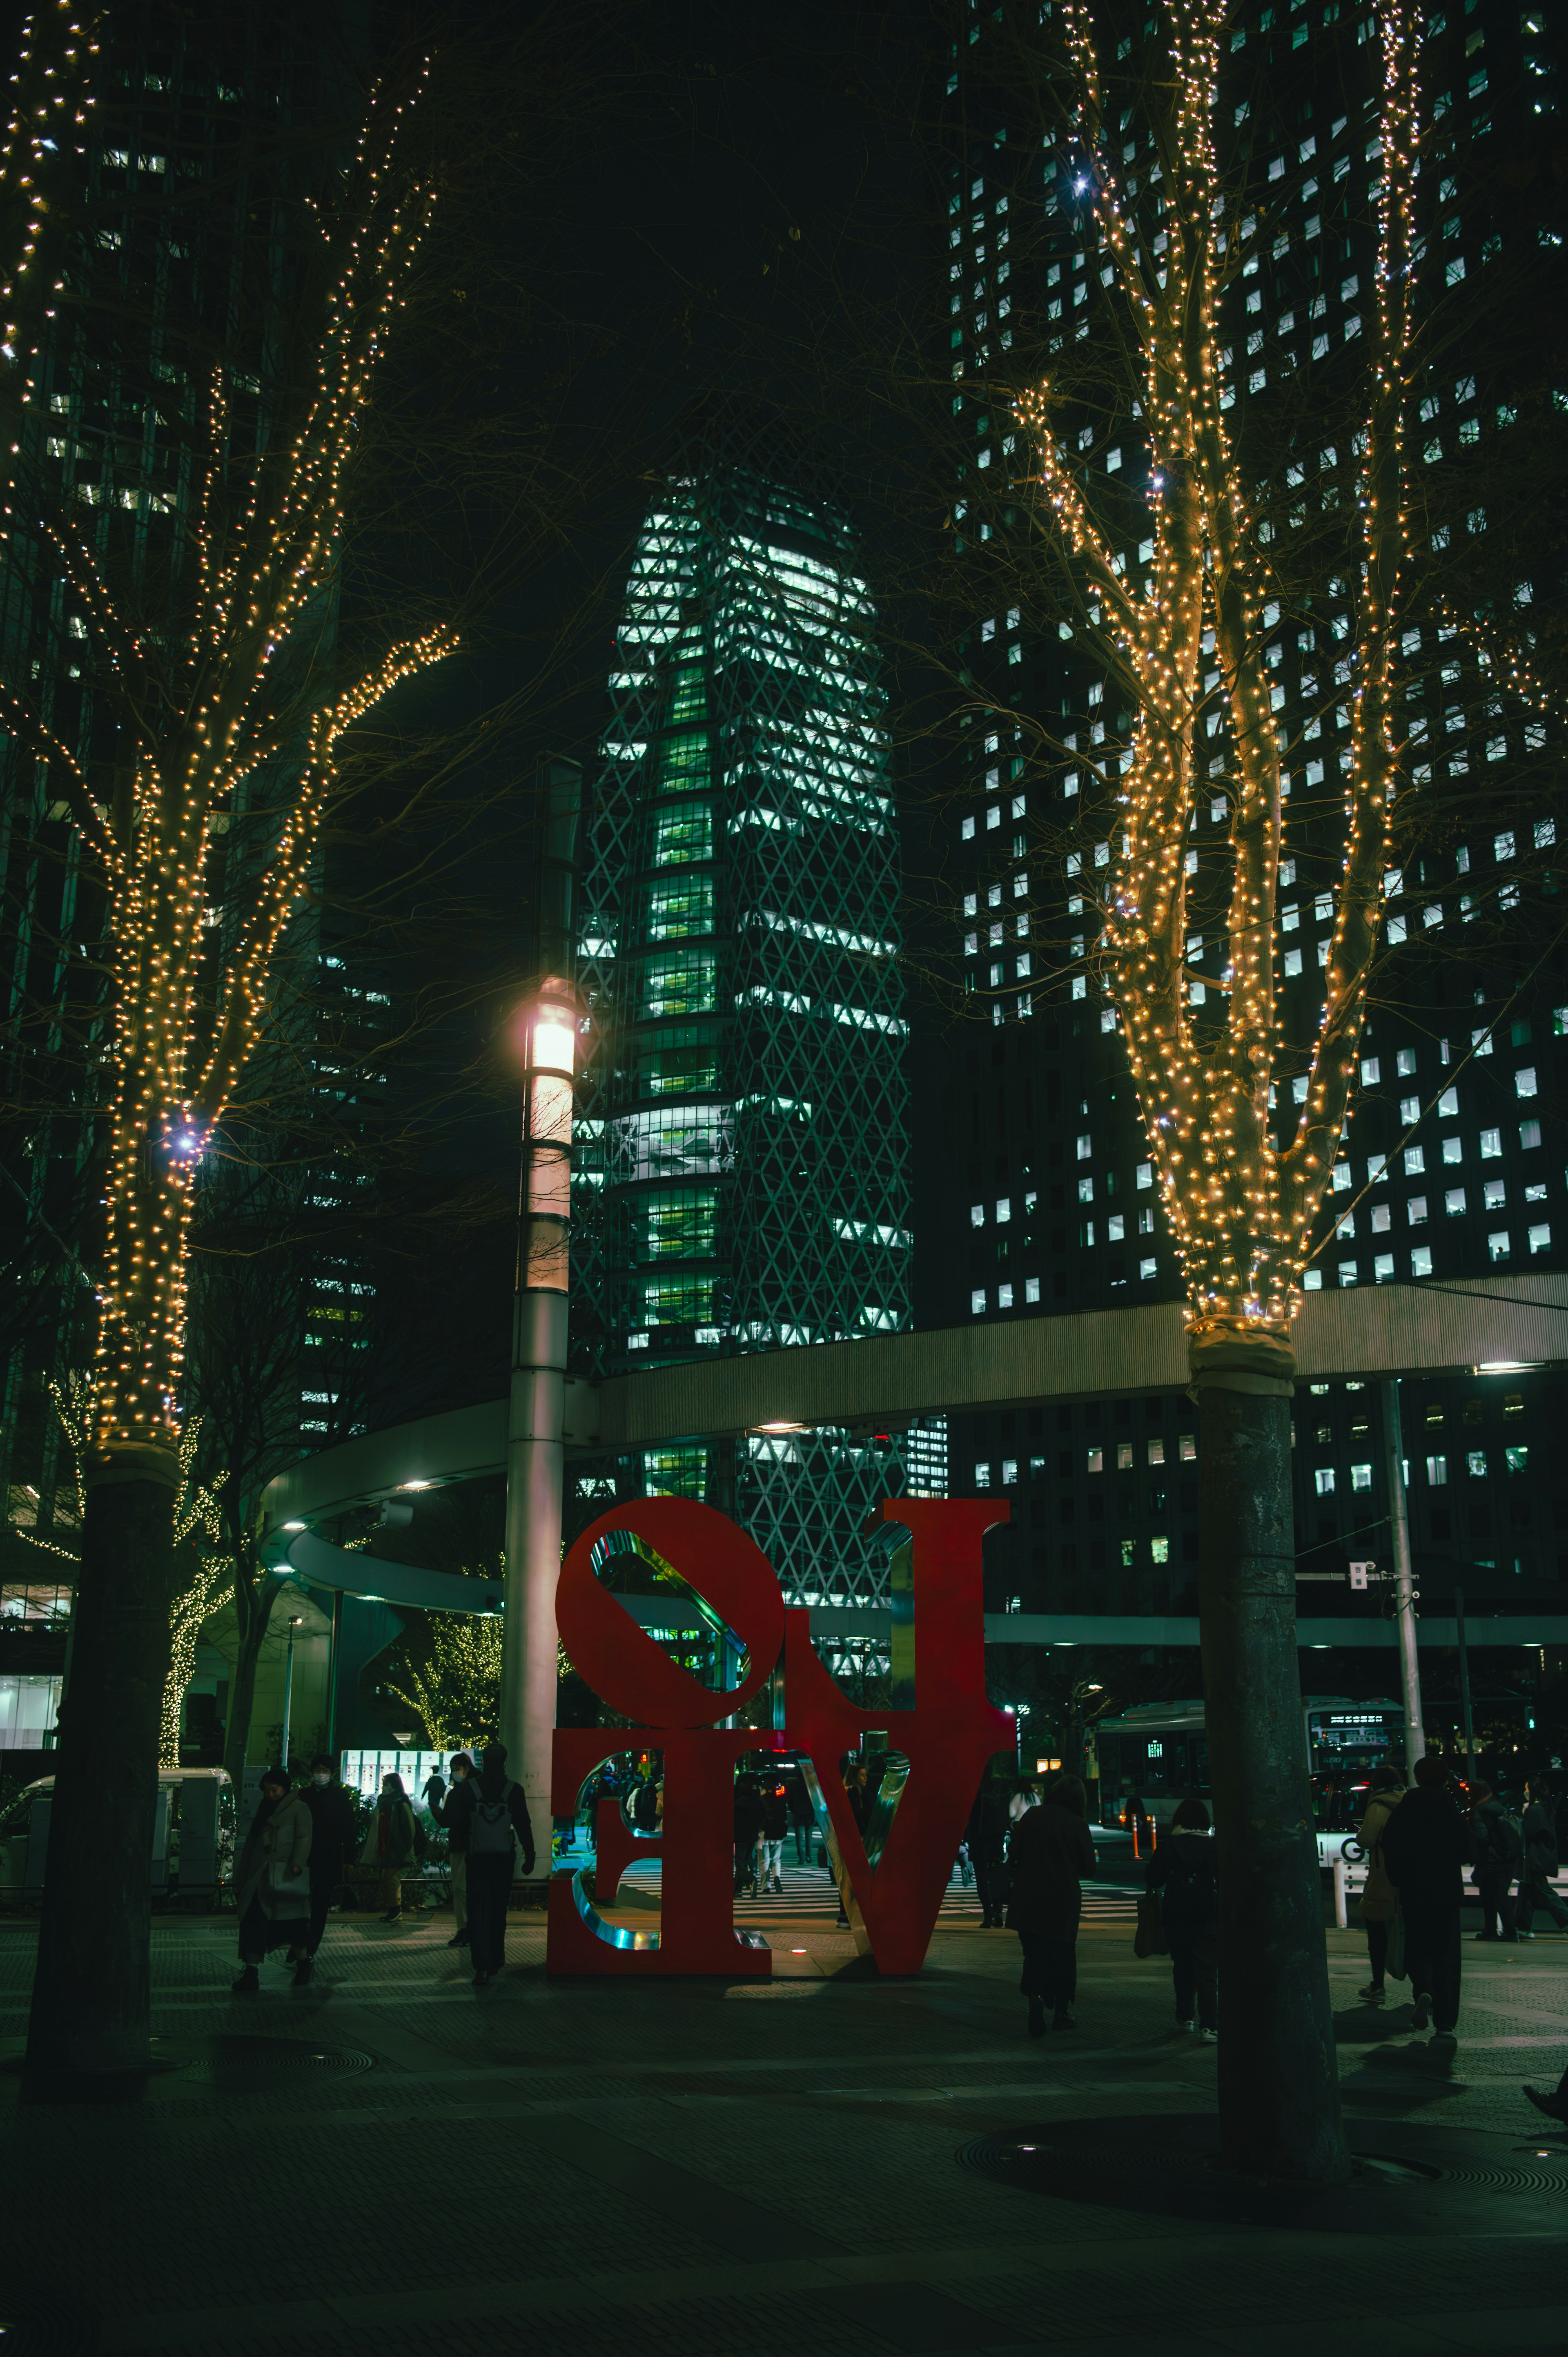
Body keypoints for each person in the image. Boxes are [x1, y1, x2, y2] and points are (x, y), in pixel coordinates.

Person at [1381, 1753, 1470, 2045]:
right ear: (1444, 1779)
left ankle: (1423, 1991)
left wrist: (1400, 1878)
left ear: (1417, 1778)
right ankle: (1445, 2023)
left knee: (1418, 1946)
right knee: (1447, 1956)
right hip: (1447, 1892)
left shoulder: (1408, 1806)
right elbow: (1470, 1848)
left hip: (1414, 1891)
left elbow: (1389, 1843)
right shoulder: (1449, 1806)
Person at [1006, 1774, 1097, 2036]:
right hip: (1063, 1901)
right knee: (1063, 1955)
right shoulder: (1078, 1824)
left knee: (1034, 1953)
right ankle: (1061, 2012)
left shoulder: (1033, 1816)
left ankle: (1035, 1997)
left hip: (1029, 1897)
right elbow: (1089, 1868)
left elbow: (1014, 1852)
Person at [444, 1742, 534, 1986]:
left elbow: (459, 1826)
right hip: (503, 1859)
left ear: (483, 1761)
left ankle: (481, 1967)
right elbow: (524, 1825)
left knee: (478, 1911)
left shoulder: (470, 1789)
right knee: (497, 1910)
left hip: (477, 1860)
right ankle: (496, 1959)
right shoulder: (514, 1790)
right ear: (505, 1762)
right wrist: (530, 1854)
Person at [232, 1766, 312, 1993]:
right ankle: (251, 1971)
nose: (270, 1795)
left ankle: (304, 1962)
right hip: (261, 1877)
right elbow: (252, 1842)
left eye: (274, 1789)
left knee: (293, 1923)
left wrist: (298, 1863)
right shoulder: (264, 1808)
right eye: (266, 1791)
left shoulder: (299, 1808)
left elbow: (304, 1837)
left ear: (285, 1787)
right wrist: (243, 1874)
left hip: (286, 1876)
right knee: (252, 1920)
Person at [1144, 1795, 1218, 2039]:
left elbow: (1153, 1879)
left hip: (1176, 1915)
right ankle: (1210, 2025)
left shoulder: (1167, 1847)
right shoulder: (1212, 1846)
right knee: (1207, 1971)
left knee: (1183, 1968)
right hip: (1207, 1915)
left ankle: (1186, 2017)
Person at [293, 1753, 359, 1985]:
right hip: (304, 1857)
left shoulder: (340, 1796)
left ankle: (309, 1949)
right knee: (300, 1904)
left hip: (329, 1857)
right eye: (318, 1769)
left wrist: (349, 1858)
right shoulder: (303, 1795)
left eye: (326, 1770)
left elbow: (349, 1829)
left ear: (332, 1773)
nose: (321, 1774)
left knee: (320, 1905)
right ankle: (300, 1944)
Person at [1353, 1766, 1406, 2004]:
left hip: (1383, 1879)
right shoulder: (1409, 1801)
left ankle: (1378, 1986)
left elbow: (1365, 1839)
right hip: (1410, 1880)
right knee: (1410, 1933)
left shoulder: (1378, 1805)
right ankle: (1423, 1988)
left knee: (1377, 1934)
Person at [429, 1751, 477, 1949]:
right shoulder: (456, 1792)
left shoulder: (475, 1789)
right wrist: (435, 1808)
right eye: (453, 1769)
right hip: (459, 1844)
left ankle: (469, 1929)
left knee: (462, 1888)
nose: (455, 1773)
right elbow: (448, 1819)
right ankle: (464, 1928)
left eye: (458, 1769)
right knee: (459, 1890)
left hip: (472, 1846)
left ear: (466, 1769)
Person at [359, 1771, 417, 1922]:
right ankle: (393, 1909)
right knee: (385, 1879)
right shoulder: (383, 1803)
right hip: (384, 1849)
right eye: (384, 1784)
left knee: (389, 1878)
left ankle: (395, 1910)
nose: (384, 1788)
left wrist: (405, 1848)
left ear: (395, 1786)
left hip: (397, 1850)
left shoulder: (401, 1804)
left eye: (387, 1785)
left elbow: (409, 1830)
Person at [1468, 1780, 1522, 1943]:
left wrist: (1479, 1859)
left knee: (1493, 1897)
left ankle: (1507, 1932)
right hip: (1506, 1858)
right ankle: (1496, 1930)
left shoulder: (1480, 1810)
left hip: (1491, 1860)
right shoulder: (1499, 1808)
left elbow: (1482, 1837)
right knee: (1496, 1896)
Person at [1515, 1780, 1567, 1938]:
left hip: (1534, 1859)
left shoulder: (1535, 1810)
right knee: (1526, 1894)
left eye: (1526, 1788)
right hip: (1537, 1857)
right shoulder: (1544, 1807)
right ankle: (1524, 1928)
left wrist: (1523, 1816)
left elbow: (1526, 1832)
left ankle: (1524, 1927)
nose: (1525, 1791)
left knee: (1545, 1893)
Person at [966, 1761, 1012, 1929]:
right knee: (997, 1877)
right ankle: (998, 1913)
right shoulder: (1000, 1791)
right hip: (996, 1840)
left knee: (982, 1879)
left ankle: (987, 1915)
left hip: (978, 1840)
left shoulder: (974, 1792)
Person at [733, 1772, 764, 1897]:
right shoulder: (757, 1803)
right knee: (744, 1863)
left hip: (740, 1837)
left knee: (740, 1864)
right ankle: (737, 1891)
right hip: (752, 1836)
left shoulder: (737, 1804)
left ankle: (751, 1879)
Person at [758, 1779, 788, 1895]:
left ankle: (766, 1886)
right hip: (778, 1834)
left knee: (764, 1861)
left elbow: (758, 1817)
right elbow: (785, 1817)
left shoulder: (761, 1800)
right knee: (776, 1859)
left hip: (764, 1834)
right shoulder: (780, 1800)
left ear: (764, 1790)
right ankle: (777, 1877)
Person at [787, 1773, 815, 1867]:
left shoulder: (794, 1786)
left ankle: (802, 1858)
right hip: (810, 1814)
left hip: (798, 1815)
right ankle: (809, 1857)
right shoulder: (811, 1785)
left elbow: (790, 1800)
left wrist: (794, 1810)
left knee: (800, 1839)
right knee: (809, 1836)